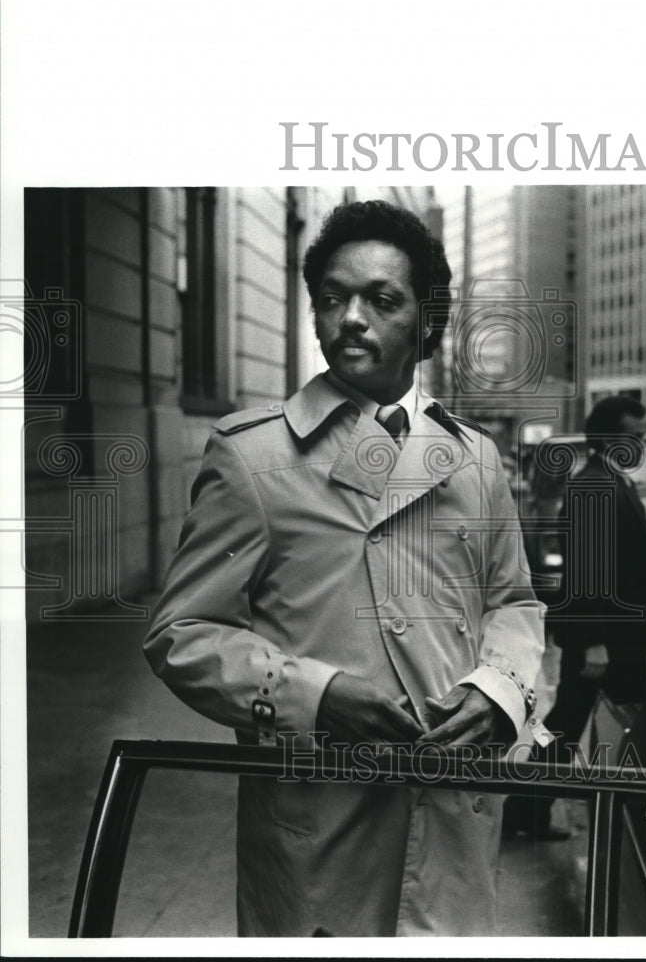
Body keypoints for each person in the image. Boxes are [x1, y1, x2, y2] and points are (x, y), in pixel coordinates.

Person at [143, 200, 546, 936]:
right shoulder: (252, 456)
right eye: (332, 298)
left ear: (426, 325)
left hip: (452, 821)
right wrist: (316, 695)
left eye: (380, 299)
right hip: (319, 829)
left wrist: (498, 694)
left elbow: (515, 602)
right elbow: (183, 632)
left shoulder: (476, 458)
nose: (350, 318)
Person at [503, 395, 646, 840]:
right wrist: (592, 642)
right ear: (610, 438)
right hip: (604, 639)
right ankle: (531, 810)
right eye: (635, 436)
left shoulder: (613, 480)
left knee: (570, 726)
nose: (641, 443)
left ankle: (526, 811)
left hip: (618, 636)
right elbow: (587, 576)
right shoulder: (595, 486)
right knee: (574, 727)